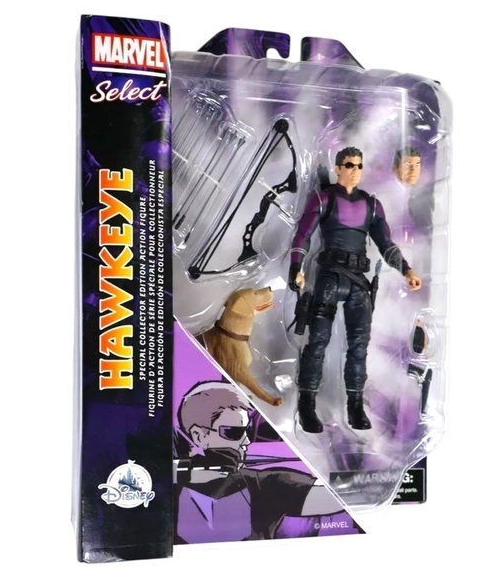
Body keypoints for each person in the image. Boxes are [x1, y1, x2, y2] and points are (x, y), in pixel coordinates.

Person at [289, 146, 422, 434]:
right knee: (318, 342)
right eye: (349, 165)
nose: (355, 171)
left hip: (358, 282)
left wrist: (406, 269)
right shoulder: (324, 199)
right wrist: (296, 267)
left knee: (359, 346)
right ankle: (307, 404)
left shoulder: (371, 205)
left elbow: (386, 244)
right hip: (329, 277)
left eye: (359, 166)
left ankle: (355, 405)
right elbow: (303, 234)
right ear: (338, 168)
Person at [174, 381, 357, 542]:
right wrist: (188, 472)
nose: (246, 441)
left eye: (247, 432)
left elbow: (336, 496)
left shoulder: (264, 483)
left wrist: (350, 464)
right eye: (233, 432)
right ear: (199, 436)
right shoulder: (173, 481)